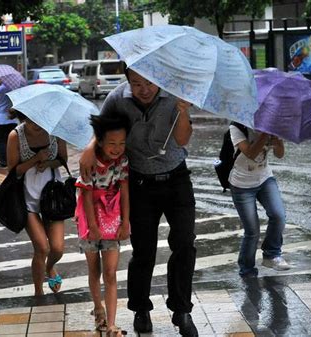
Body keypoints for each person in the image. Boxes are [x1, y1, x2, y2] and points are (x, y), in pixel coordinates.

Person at [80, 68, 198, 336]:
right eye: (136, 83)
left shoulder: (174, 96)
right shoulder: (117, 98)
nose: (143, 89)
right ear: (127, 80)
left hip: (176, 179)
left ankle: (182, 310)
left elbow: (182, 139)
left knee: (184, 243)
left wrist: (182, 110)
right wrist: (89, 148)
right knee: (143, 249)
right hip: (140, 182)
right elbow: (101, 128)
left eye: (149, 83)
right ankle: (140, 308)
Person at [75, 114, 130, 337]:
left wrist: (126, 221)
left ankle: (112, 324)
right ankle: (99, 309)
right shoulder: (90, 162)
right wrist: (93, 226)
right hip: (90, 220)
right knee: (94, 269)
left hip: (112, 217)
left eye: (121, 143)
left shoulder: (123, 161)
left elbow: (125, 192)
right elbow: (86, 194)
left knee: (111, 272)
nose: (117, 149)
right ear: (99, 141)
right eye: (112, 143)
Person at [6, 109, 68, 296]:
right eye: (31, 120)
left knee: (57, 248)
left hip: (52, 197)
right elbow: (13, 171)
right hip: (27, 197)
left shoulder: (56, 132)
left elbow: (63, 159)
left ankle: (50, 268)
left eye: (40, 120)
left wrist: (48, 163)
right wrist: (35, 159)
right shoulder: (15, 136)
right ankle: (38, 293)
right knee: (42, 247)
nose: (36, 124)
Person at [229, 126, 291, 277]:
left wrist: (277, 140)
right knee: (252, 231)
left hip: (265, 178)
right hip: (242, 184)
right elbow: (251, 153)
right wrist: (265, 134)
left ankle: (271, 254)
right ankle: (247, 269)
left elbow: (280, 154)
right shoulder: (236, 127)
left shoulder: (271, 124)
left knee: (278, 216)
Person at [0, 79, 18, 167]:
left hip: (1, 120)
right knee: (11, 141)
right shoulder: (14, 88)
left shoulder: (2, 88)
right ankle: (12, 160)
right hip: (12, 119)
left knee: (1, 141)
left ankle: (3, 161)